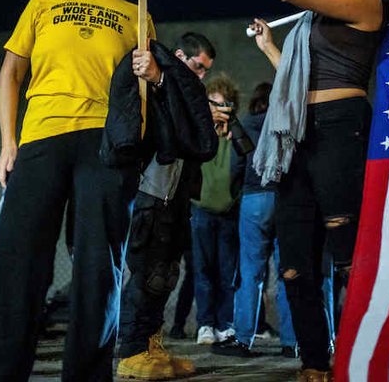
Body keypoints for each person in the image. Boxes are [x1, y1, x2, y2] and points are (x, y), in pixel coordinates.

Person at [0, 0, 156, 382]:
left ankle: (87, 375)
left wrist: (152, 75)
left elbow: (142, 97)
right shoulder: (44, 2)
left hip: (104, 146)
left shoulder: (137, 15)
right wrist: (9, 143)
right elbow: (10, 75)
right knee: (16, 259)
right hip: (42, 139)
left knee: (97, 268)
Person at [217, 0, 389, 381]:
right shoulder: (318, 16)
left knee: (348, 255)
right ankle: (317, 364)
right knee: (294, 260)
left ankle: (374, 357)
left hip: (340, 129)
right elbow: (301, 80)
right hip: (299, 133)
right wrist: (272, 50)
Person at [116, 32, 217, 380]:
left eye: (205, 71)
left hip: (176, 196)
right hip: (152, 192)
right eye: (197, 66)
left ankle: (150, 345)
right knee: (145, 274)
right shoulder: (154, 88)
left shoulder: (182, 94)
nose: (199, 76)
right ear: (177, 56)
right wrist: (159, 77)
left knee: (165, 274)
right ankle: (131, 351)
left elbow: (198, 139)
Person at [212, 81, 299, 359]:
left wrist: (238, 193)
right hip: (284, 198)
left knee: (250, 272)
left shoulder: (247, 124)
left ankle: (243, 338)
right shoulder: (289, 123)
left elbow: (237, 165)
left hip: (254, 199)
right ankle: (291, 341)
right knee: (287, 272)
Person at [190, 74, 242, 346]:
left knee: (227, 272)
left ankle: (225, 324)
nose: (218, 110)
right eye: (214, 104)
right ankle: (206, 324)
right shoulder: (199, 133)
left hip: (228, 213)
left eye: (224, 105)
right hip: (201, 211)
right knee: (203, 271)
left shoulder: (236, 137)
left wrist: (232, 133)